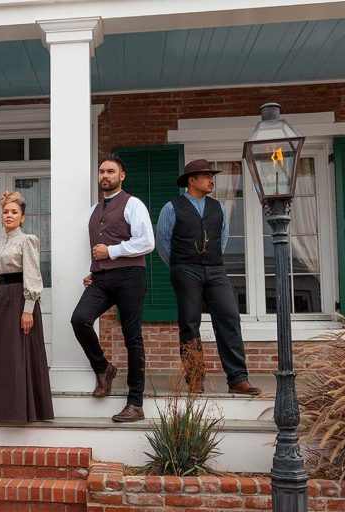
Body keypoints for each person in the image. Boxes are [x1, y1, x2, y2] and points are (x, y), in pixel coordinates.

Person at [156, 159, 262, 396]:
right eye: (205, 176)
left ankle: (238, 379)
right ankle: (195, 379)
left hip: (215, 269)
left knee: (229, 318)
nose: (211, 180)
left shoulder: (218, 207)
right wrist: (180, 266)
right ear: (191, 181)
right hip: (185, 269)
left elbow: (222, 239)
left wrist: (209, 258)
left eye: (211, 176)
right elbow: (163, 243)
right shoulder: (172, 207)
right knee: (190, 323)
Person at [71, 153, 155, 423]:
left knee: (132, 338)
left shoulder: (134, 204)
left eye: (110, 171)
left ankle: (135, 403)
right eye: (101, 172)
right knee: (80, 319)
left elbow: (147, 242)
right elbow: (98, 247)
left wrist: (113, 251)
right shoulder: (95, 210)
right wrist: (94, 269)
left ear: (121, 176)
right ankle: (104, 368)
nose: (104, 176)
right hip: (102, 277)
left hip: (131, 276)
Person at [0, 191, 54, 422]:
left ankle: (19, 408)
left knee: (17, 352)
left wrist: (28, 309)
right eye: (6, 212)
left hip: (20, 300)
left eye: (14, 212)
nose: (9, 215)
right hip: (1, 300)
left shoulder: (28, 240)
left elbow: (33, 275)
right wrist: (1, 294)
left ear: (22, 217)